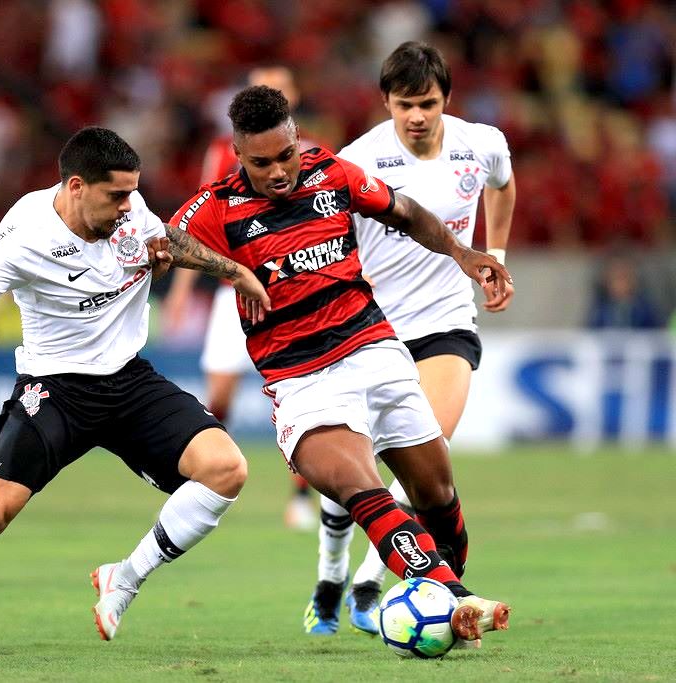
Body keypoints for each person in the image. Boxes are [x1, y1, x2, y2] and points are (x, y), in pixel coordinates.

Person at [0, 126, 270, 657]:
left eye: (132, 192)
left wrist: (234, 271)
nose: (129, 205)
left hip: (128, 380)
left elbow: (166, 238)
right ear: (77, 186)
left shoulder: (128, 210)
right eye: (116, 195)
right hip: (55, 388)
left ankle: (125, 577)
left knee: (227, 469)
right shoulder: (24, 234)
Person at [171, 84, 513, 646]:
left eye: (286, 154)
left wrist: (465, 253)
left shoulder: (333, 173)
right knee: (362, 486)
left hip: (376, 352)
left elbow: (404, 213)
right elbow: (163, 242)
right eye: (262, 163)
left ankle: (447, 591)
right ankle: (451, 598)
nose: (279, 171)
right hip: (303, 380)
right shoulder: (218, 205)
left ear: (295, 139)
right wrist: (231, 271)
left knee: (438, 496)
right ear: (239, 156)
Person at [303, 40, 518, 638]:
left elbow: (503, 184)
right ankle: (329, 579)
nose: (417, 116)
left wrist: (492, 255)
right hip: (370, 330)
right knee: (354, 471)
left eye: (427, 103)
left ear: (447, 99)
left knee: (429, 462)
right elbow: (325, 236)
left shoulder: (481, 143)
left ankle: (374, 583)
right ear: (387, 103)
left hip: (446, 321)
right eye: (404, 105)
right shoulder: (358, 159)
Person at [163, 65, 317, 531]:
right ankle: (212, 479)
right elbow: (197, 222)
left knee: (300, 399)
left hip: (291, 292)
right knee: (221, 393)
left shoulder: (310, 152)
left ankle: (302, 496)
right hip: (235, 292)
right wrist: (182, 290)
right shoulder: (220, 153)